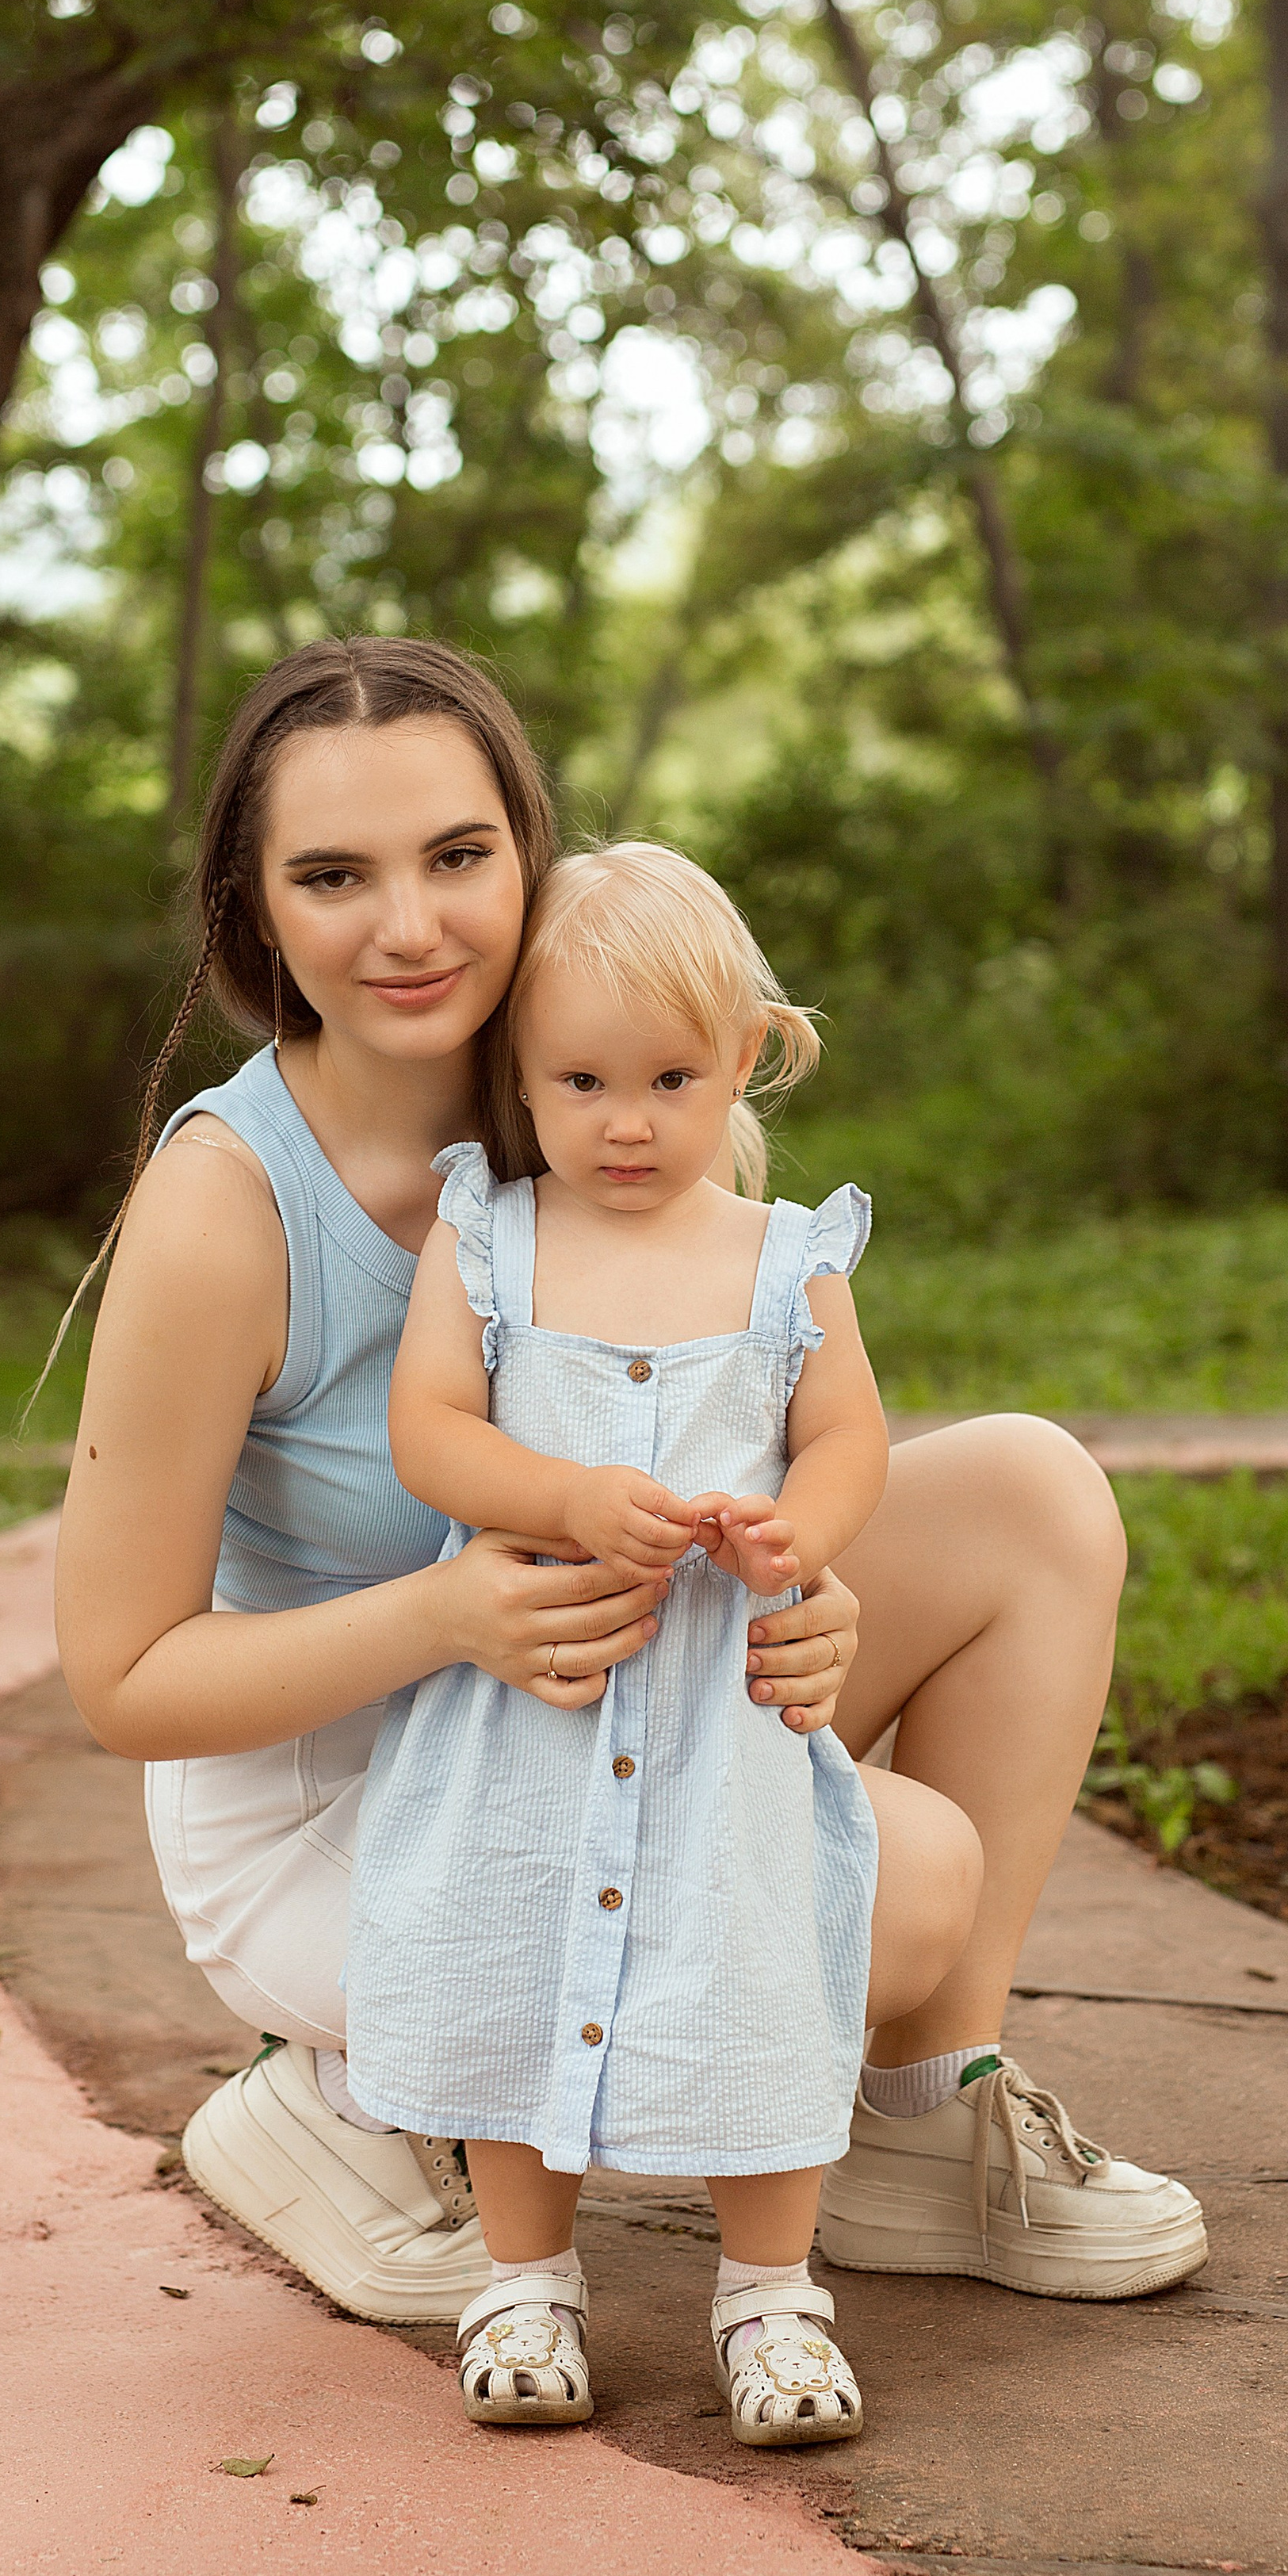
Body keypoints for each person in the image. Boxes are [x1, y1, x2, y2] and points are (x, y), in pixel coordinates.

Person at [55, 636, 1206, 2336]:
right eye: (331, 875)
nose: (409, 925)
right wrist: (450, 1609)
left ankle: (908, 2116)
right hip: (347, 1793)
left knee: (1035, 1493)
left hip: (626, 1682)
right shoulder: (230, 1207)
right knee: (903, 1876)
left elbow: (764, 1445)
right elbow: (122, 1679)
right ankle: (353, 2098)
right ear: (254, 914)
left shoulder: (595, 1088)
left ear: (529, 850)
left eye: (456, 855)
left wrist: (813, 1593)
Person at [346, 843, 911, 2444]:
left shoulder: (783, 1256)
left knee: (755, 1973)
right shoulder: (494, 1239)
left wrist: (806, 1524)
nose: (625, 1121)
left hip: (719, 1716)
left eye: (669, 1078)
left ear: (746, 1056)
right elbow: (430, 1433)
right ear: (518, 1078)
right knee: (510, 1966)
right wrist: (560, 1492)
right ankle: (523, 2272)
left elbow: (849, 1434)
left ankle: (768, 2290)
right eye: (578, 1081)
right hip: (535, 1694)